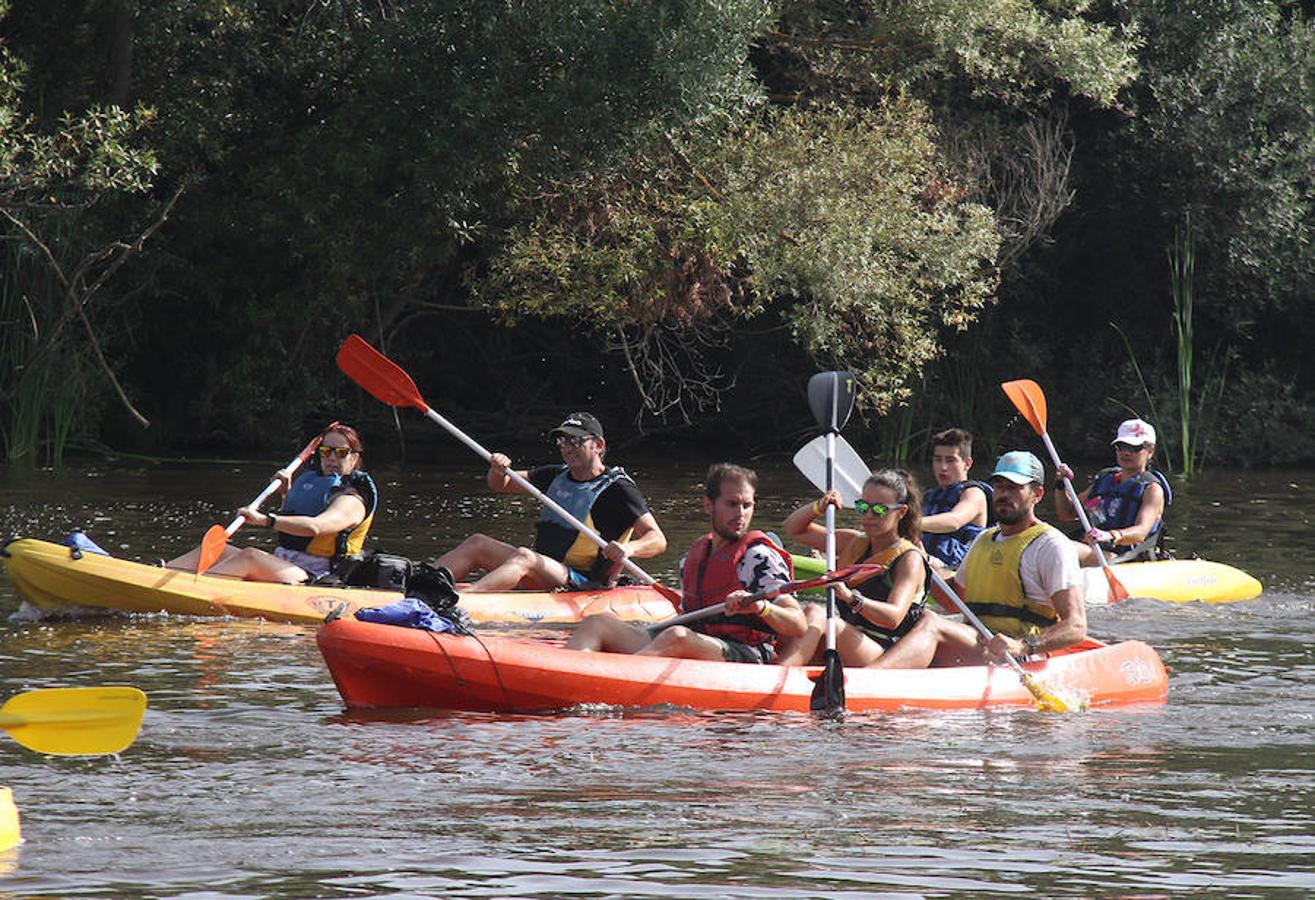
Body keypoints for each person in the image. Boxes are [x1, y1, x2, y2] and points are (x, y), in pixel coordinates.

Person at [565, 463, 808, 663]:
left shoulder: (758, 557)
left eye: (747, 505)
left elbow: (797, 624)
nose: (741, 514)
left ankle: (612, 682)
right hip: (700, 642)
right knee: (596, 624)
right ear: (708, 505)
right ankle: (569, 674)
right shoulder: (692, 558)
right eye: (732, 504)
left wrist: (760, 607)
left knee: (678, 636)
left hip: (747, 654)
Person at [872, 450, 1086, 669]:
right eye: (999, 487)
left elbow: (1076, 626)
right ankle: (863, 674)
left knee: (931, 622)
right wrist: (921, 560)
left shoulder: (1050, 545)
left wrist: (1023, 646)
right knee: (915, 619)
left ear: (1037, 494)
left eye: (1013, 488)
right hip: (976, 644)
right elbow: (952, 601)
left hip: (1017, 656)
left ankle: (866, 681)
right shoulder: (984, 539)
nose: (1003, 494)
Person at [434, 412, 666, 592]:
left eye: (575, 441)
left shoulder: (619, 490)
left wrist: (628, 548)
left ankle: (466, 600)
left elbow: (657, 539)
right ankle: (417, 584)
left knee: (525, 557)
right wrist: (498, 469)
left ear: (598, 445)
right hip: (543, 568)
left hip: (582, 581)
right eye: (562, 440)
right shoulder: (556, 475)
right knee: (478, 543)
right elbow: (501, 484)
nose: (566, 447)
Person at [166, 424, 378, 583]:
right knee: (219, 548)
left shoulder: (352, 500)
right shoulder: (317, 485)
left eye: (341, 453)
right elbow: (295, 528)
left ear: (354, 458)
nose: (332, 458)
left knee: (250, 555)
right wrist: (286, 494)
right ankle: (161, 573)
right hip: (286, 562)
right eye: (326, 451)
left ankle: (192, 588)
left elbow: (316, 527)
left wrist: (266, 520)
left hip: (315, 577)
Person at [775, 469, 929, 667]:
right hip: (851, 638)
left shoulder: (909, 559)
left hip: (883, 652)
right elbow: (793, 528)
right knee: (799, 618)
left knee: (818, 614)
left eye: (880, 510)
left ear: (901, 512)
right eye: (863, 507)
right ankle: (779, 668)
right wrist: (819, 507)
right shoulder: (853, 542)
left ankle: (777, 677)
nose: (869, 515)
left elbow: (893, 617)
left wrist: (850, 597)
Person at [1055, 418, 1172, 565]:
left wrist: (1111, 536)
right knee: (1051, 541)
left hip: (1128, 557)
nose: (1126, 453)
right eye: (1121, 446)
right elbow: (1066, 513)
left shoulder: (1152, 489)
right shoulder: (1105, 480)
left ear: (1150, 451)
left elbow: (1141, 532)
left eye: (1135, 448)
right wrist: (1061, 484)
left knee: (1062, 547)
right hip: (1097, 551)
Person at [919, 428, 992, 570]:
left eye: (950, 460)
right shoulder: (930, 496)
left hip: (956, 568)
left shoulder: (973, 493)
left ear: (967, 463)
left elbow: (954, 521)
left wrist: (910, 522)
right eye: (938, 459)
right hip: (927, 561)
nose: (943, 467)